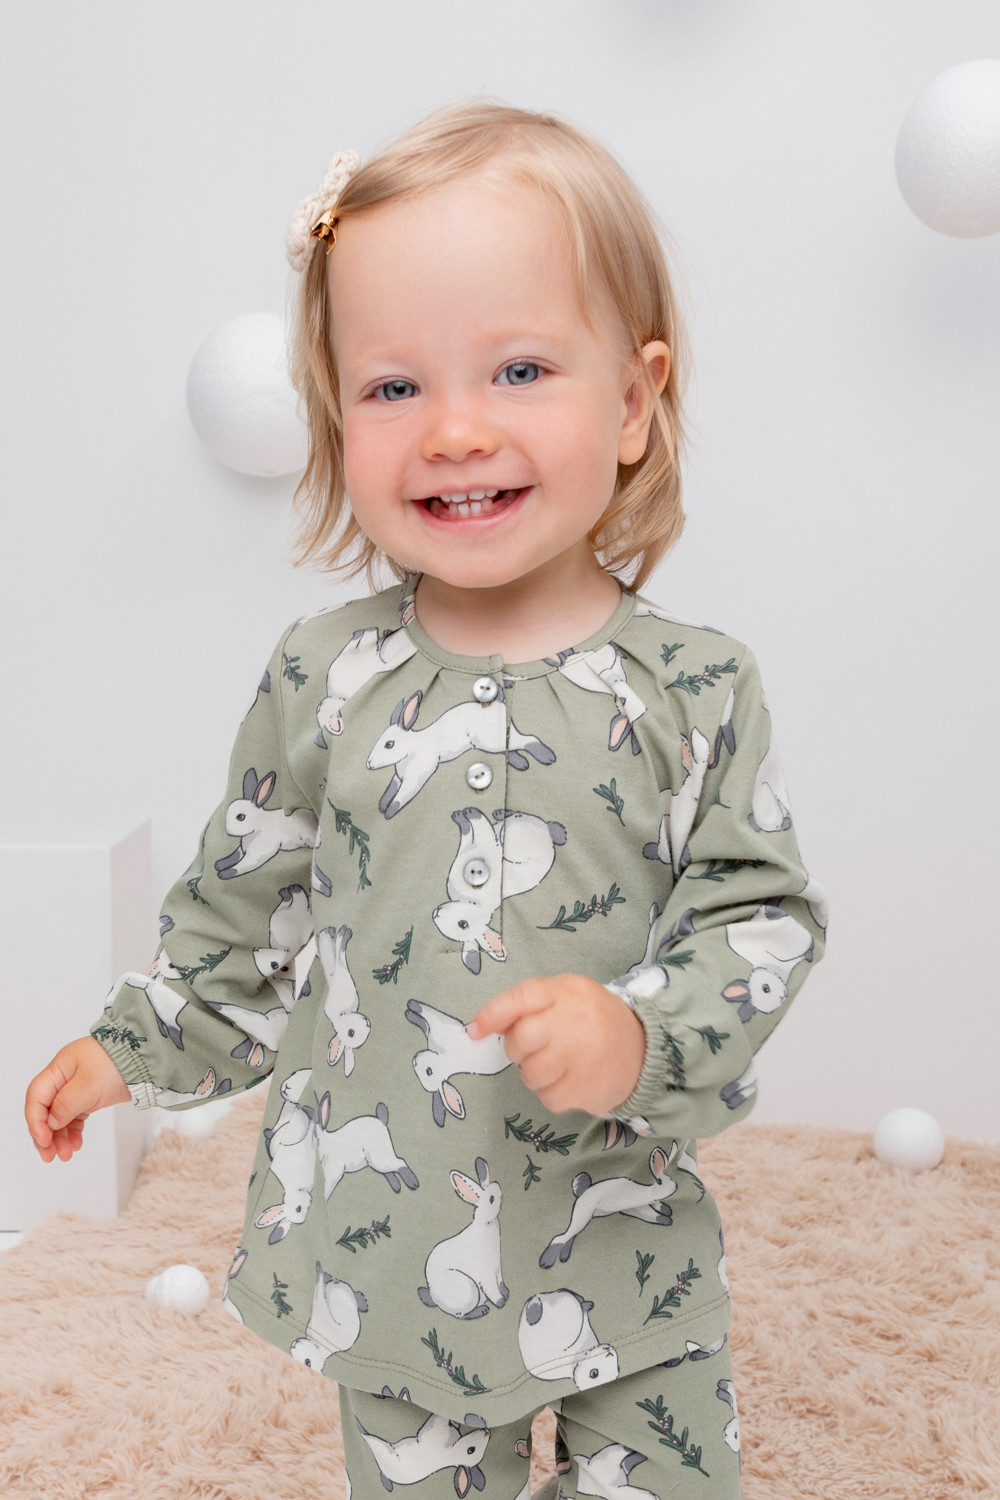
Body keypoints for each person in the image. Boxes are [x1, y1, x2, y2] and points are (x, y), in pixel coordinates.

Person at [25, 101, 827, 1498]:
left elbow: (758, 918)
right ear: (335, 415)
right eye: (394, 388)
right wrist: (133, 1045)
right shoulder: (323, 678)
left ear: (632, 402)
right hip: (393, 1255)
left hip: (618, 1233)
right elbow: (245, 912)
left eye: (519, 370)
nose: (455, 430)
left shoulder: (697, 686)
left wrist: (640, 1032)